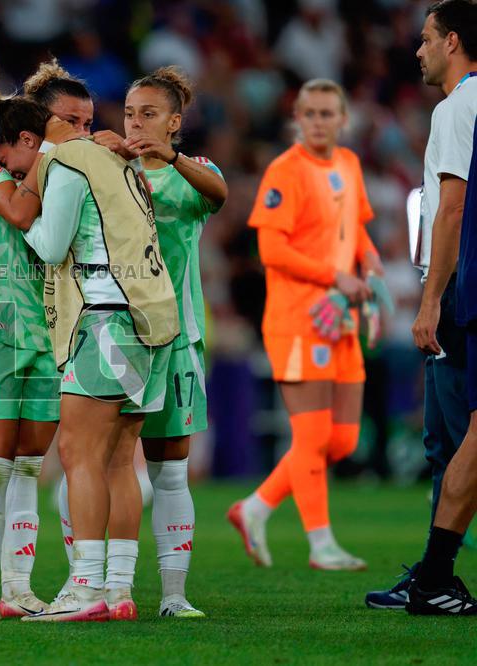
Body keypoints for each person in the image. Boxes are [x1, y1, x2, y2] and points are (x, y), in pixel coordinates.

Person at [0, 95, 179, 622]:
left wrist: (20, 210)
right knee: (119, 459)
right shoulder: (114, 157)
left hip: (107, 318)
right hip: (153, 317)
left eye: (8, 161)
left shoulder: (67, 160)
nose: (14, 175)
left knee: (77, 451)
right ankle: (118, 587)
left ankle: (86, 589)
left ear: (28, 140)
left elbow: (50, 245)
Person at [83, 66, 227, 619]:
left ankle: (173, 594)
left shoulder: (192, 173)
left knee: (170, 469)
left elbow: (219, 193)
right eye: (129, 113)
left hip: (176, 337)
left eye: (148, 114)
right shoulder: (109, 166)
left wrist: (170, 158)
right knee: (93, 460)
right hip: (114, 334)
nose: (135, 123)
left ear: (174, 122)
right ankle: (94, 585)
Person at [227, 78, 382, 571]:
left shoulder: (349, 163)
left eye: (326, 113)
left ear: (343, 119)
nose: (318, 121)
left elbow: (354, 227)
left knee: (344, 440)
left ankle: (255, 507)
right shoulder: (284, 171)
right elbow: (271, 250)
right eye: (309, 113)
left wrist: (369, 261)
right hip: (299, 320)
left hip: (340, 318)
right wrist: (336, 276)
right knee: (312, 437)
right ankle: (321, 544)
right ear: (297, 118)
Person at [0, 61, 84, 620]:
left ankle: (17, 589)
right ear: (29, 140)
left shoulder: (52, 172)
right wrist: (46, 160)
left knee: (29, 465)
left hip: (43, 331)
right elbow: (16, 211)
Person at [366, 0, 477, 611]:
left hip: (460, 288)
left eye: (427, 38)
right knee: (445, 440)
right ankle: (436, 572)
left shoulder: (458, 106)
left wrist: (431, 298)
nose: (418, 50)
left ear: (452, 41)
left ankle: (438, 576)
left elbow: (452, 207)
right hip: (460, 281)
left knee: (460, 439)